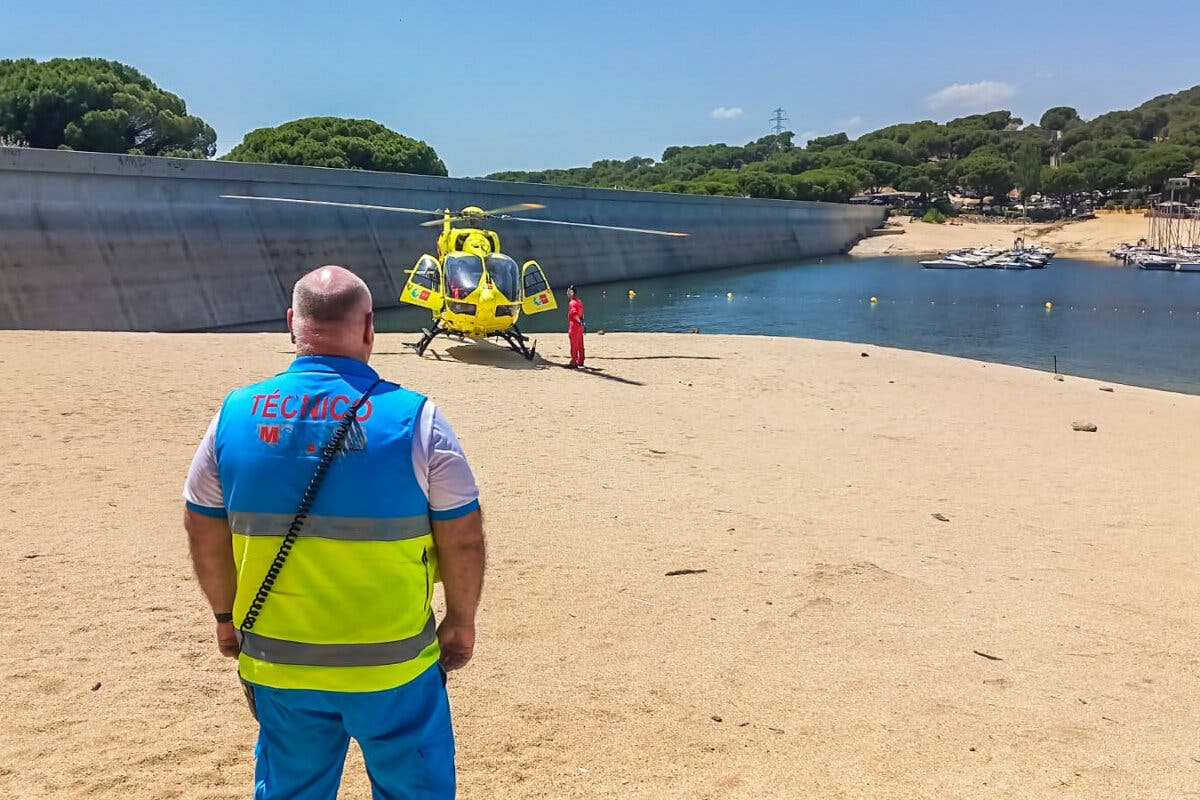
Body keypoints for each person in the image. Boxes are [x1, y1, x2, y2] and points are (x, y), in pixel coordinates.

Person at [182, 265, 485, 800]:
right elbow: (462, 537)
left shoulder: (231, 416)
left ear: (291, 324)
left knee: (291, 788)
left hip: (277, 661)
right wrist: (460, 621)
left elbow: (203, 532)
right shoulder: (419, 420)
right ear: (369, 327)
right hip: (392, 668)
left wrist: (226, 618)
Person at [566, 285, 585, 368]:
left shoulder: (572, 303)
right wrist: (582, 322)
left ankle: (574, 362)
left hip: (574, 325)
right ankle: (581, 360)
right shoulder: (579, 301)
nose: (567, 293)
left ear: (572, 293)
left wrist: (579, 321)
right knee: (580, 344)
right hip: (580, 326)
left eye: (568, 291)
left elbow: (574, 314)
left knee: (574, 345)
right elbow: (582, 314)